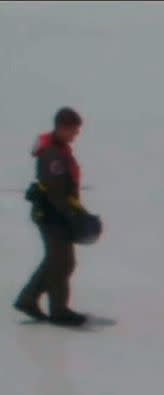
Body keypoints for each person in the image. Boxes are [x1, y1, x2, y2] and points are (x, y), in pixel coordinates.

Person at [14, 107, 96, 327]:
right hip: (52, 216)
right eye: (73, 131)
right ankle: (55, 309)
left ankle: (31, 299)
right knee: (61, 261)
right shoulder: (52, 153)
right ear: (62, 127)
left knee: (60, 261)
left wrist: (77, 212)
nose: (75, 136)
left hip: (57, 214)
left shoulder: (59, 148)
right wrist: (73, 215)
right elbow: (56, 192)